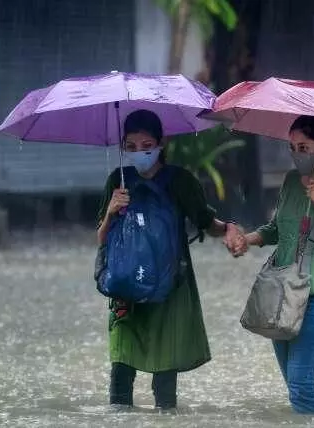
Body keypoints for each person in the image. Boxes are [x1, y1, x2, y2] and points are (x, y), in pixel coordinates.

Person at [96, 109, 243, 410]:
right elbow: (101, 240)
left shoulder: (182, 181)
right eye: (131, 146)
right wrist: (111, 211)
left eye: (147, 145)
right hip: (126, 286)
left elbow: (205, 222)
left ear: (162, 142)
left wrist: (227, 228)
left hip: (170, 287)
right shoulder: (117, 180)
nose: (139, 152)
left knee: (164, 381)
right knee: (121, 370)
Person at [226, 115, 314, 414]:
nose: (296, 154)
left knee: (300, 384)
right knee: (297, 386)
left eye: (303, 147)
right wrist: (248, 239)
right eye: (292, 147)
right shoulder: (289, 181)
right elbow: (276, 229)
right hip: (283, 296)